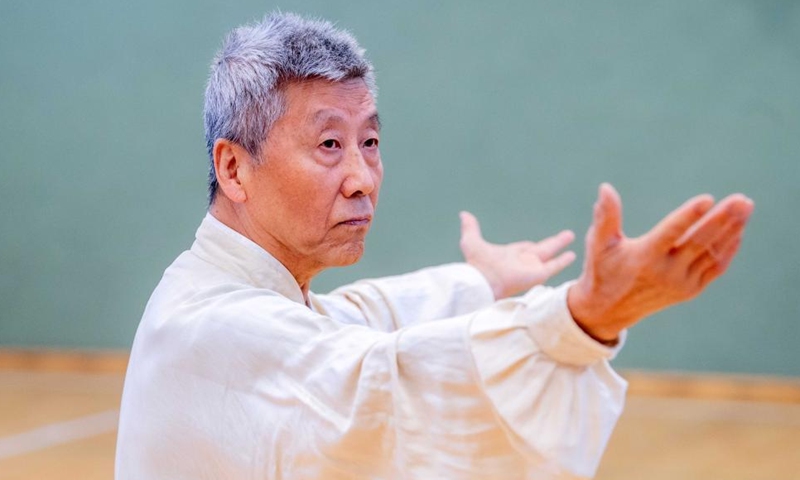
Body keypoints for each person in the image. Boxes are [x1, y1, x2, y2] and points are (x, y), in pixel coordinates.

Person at [115, 12, 753, 480]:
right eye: (329, 145)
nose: (363, 178)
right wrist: (586, 315)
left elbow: (365, 315)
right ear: (233, 169)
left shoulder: (251, 294)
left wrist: (483, 282)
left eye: (369, 141)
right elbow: (379, 381)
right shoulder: (214, 324)